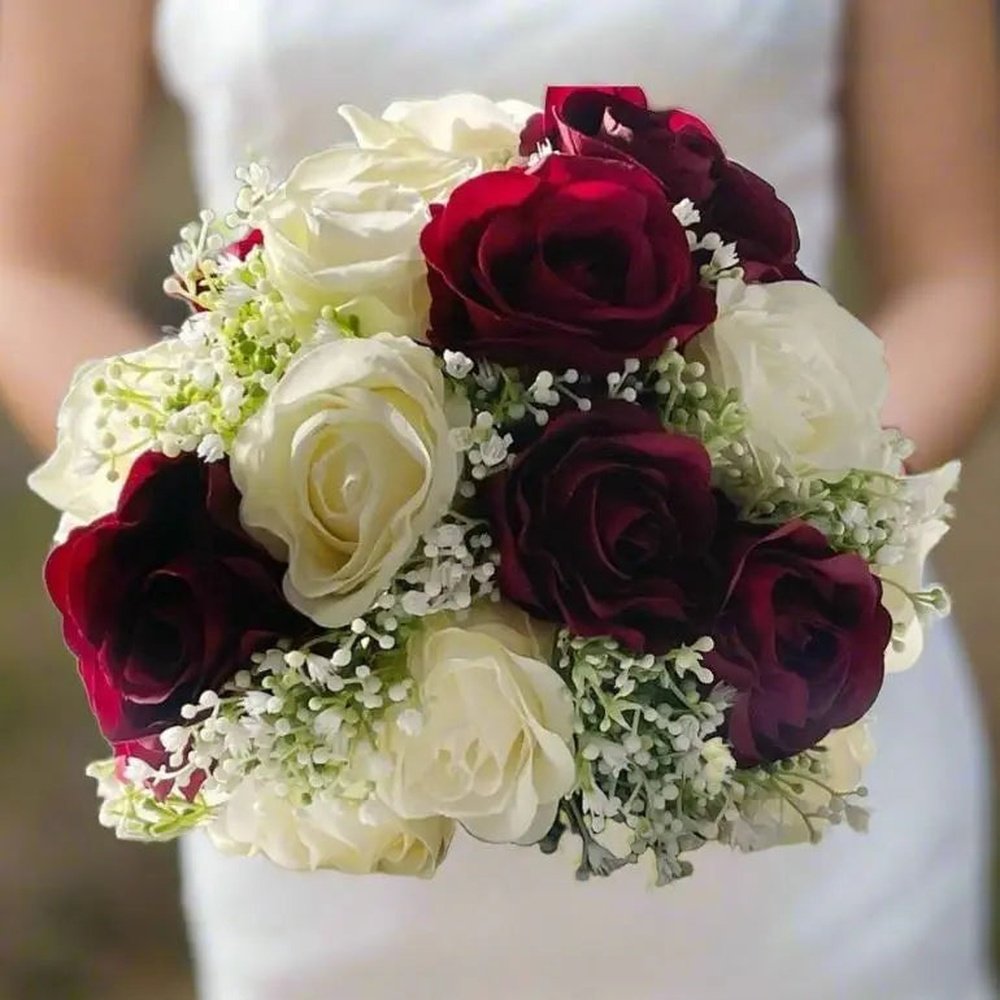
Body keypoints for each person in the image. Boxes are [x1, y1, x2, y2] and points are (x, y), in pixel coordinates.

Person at [0, 1, 996, 997]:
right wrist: (255, 515)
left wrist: (725, 528)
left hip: (778, 721)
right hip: (333, 778)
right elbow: (31, 269)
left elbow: (963, 270)